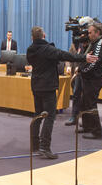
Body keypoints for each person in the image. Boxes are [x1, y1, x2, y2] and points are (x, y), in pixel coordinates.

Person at [26, 26, 97, 159]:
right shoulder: (48, 49)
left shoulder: (30, 50)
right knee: (49, 116)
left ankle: (34, 145)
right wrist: (84, 58)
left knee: (38, 115)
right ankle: (44, 147)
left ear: (32, 37)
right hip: (48, 87)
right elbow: (66, 55)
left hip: (36, 86)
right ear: (44, 35)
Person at [77, 23, 102, 140]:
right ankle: (87, 126)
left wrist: (82, 70)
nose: (88, 35)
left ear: (97, 33)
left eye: (90, 33)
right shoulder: (93, 43)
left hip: (94, 79)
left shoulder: (100, 43)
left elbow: (94, 62)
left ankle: (96, 131)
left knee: (91, 105)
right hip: (88, 78)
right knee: (84, 103)